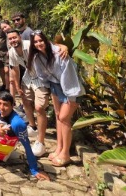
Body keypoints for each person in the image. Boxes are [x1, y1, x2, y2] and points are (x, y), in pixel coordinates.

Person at [7, 29, 69, 158]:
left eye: (14, 37)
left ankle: (40, 142)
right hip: (28, 76)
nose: (13, 40)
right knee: (25, 102)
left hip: (42, 78)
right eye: (10, 39)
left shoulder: (30, 44)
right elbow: (15, 69)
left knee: (39, 107)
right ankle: (33, 126)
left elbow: (48, 45)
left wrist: (64, 47)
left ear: (20, 37)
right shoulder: (12, 52)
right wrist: (17, 87)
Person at [27, 30, 84, 167]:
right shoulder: (37, 57)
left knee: (64, 118)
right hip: (55, 86)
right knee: (58, 116)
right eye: (35, 42)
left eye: (41, 40)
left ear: (46, 40)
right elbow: (42, 75)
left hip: (70, 87)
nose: (39, 43)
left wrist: (70, 95)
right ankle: (59, 148)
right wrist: (49, 87)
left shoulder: (59, 53)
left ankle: (65, 154)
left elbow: (69, 75)